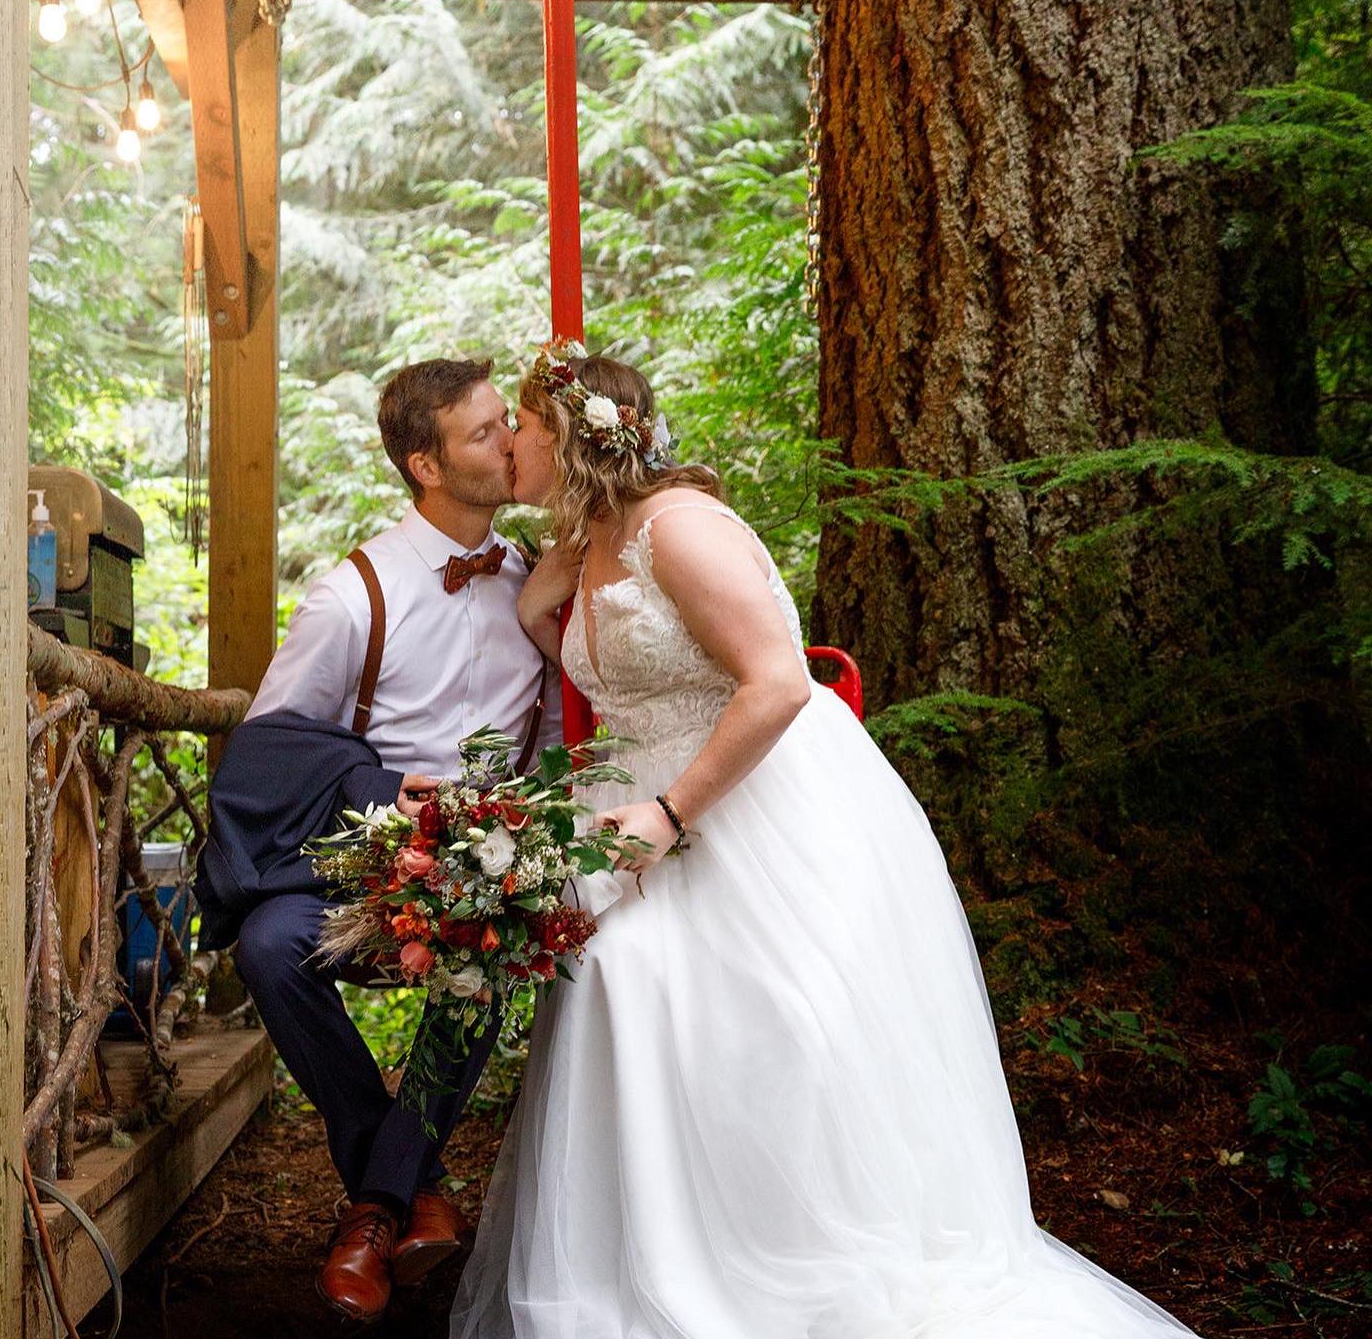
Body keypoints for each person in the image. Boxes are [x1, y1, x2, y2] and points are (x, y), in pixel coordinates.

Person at [451, 348, 1200, 1337]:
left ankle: (793, 1257)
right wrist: (543, 596)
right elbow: (614, 672)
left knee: (759, 1026)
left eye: (526, 430)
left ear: (578, 440)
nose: (508, 446)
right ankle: (650, 1261)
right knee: (616, 989)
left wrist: (674, 814)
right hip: (639, 808)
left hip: (751, 803)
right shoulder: (589, 538)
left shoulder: (681, 529)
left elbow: (779, 683)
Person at [199, 358, 557, 1324]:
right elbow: (270, 757)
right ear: (424, 466)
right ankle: (410, 1179)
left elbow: (561, 736)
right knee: (272, 946)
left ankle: (374, 1211)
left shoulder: (535, 584)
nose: (510, 441)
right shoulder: (352, 597)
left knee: (497, 936)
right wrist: (386, 789)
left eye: (504, 425)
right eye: (485, 433)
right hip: (371, 856)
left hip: (492, 861)